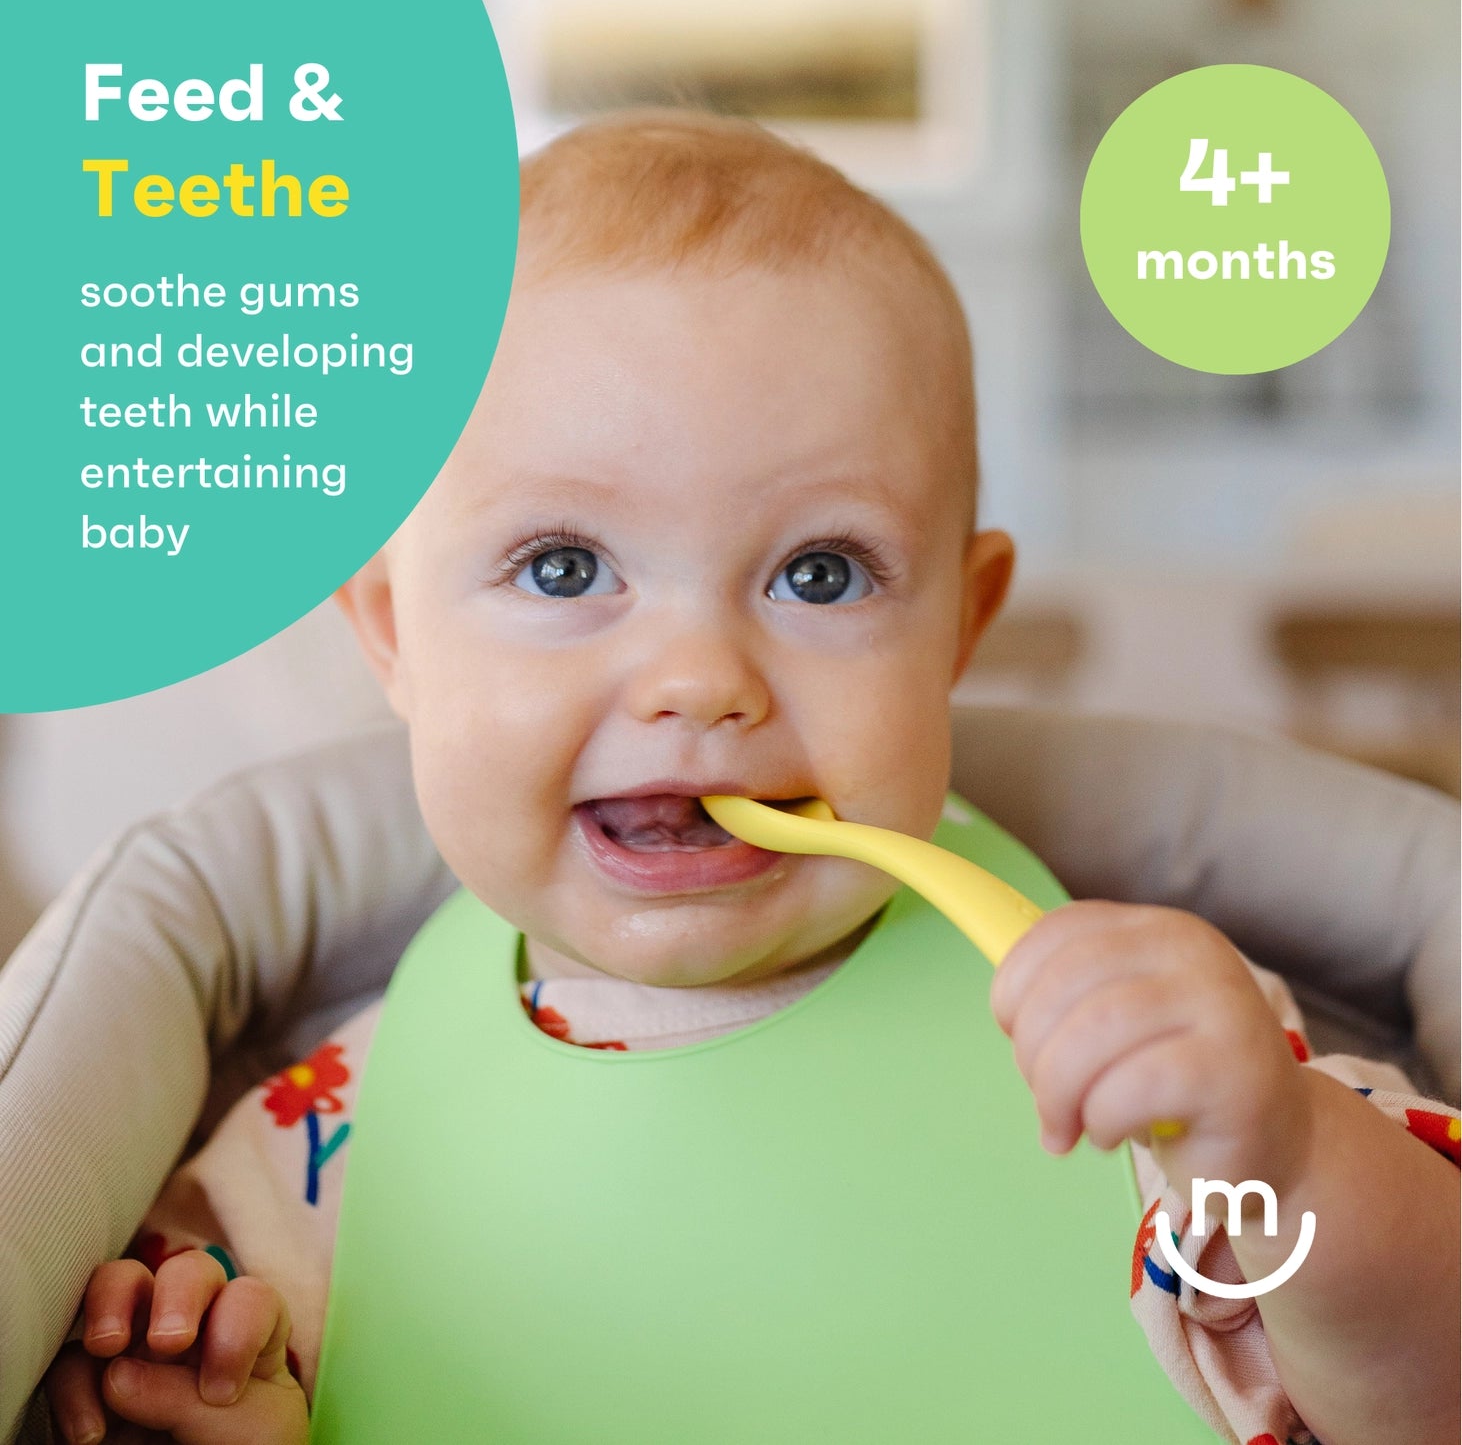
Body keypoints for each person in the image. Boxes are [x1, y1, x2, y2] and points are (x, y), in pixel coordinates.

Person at [45, 110, 1459, 1445]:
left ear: (959, 629)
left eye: (819, 574)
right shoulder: (322, 1149)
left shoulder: (1135, 1040)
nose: (700, 678)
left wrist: (1285, 1158)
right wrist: (226, 1405)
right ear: (395, 636)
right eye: (563, 567)